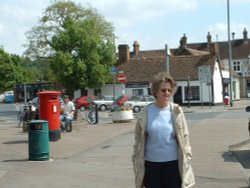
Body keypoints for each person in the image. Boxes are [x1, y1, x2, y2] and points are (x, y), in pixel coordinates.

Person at [132, 72, 195, 188]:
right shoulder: (145, 112)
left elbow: (185, 136)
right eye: (163, 90)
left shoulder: (176, 111)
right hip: (151, 165)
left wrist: (188, 155)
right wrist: (135, 156)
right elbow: (138, 138)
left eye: (169, 90)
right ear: (155, 92)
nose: (166, 93)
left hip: (172, 163)